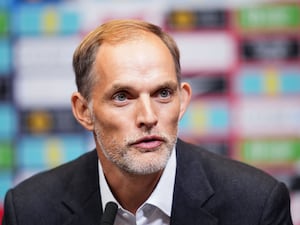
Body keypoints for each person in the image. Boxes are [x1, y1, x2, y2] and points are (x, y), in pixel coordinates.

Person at [2, 19, 293, 225]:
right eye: (122, 97)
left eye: (163, 94)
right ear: (83, 110)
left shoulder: (256, 205)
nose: (148, 117)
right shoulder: (31, 209)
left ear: (183, 101)